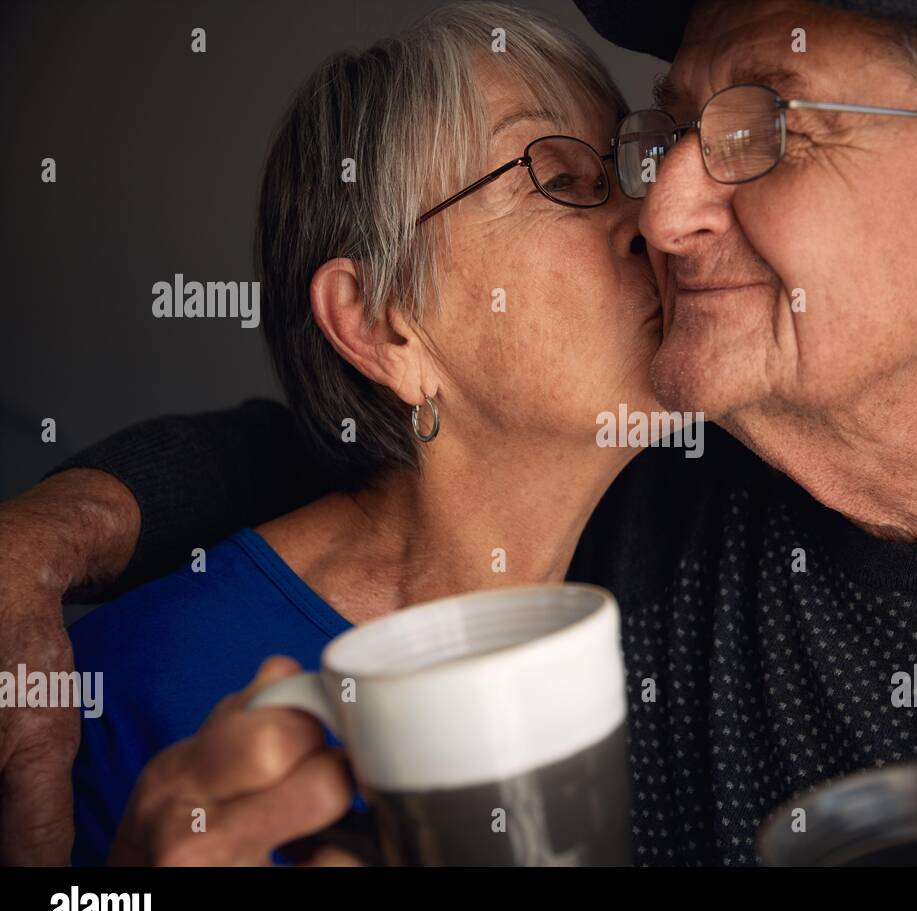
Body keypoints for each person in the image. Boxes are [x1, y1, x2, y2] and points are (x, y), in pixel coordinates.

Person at [2, 0, 917, 866]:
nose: (664, 207)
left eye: (765, 129)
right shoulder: (614, 515)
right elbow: (342, 480)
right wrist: (57, 529)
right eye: (664, 135)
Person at [59, 1, 664, 864]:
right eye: (561, 180)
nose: (655, 219)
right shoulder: (115, 694)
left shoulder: (698, 550)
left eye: (630, 169)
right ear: (384, 327)